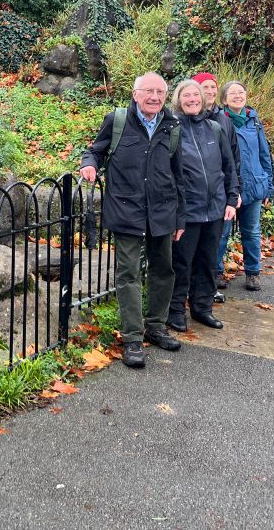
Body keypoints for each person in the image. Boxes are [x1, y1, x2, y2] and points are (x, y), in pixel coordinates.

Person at [79, 72, 186, 368]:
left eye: (160, 92)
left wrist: (180, 217)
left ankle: (156, 325)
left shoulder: (172, 126)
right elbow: (95, 151)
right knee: (128, 273)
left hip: (163, 211)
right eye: (148, 91)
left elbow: (179, 176)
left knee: (164, 270)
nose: (154, 97)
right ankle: (132, 338)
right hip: (126, 210)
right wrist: (89, 166)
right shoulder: (118, 120)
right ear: (136, 93)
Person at [167, 79, 239, 332]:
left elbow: (228, 167)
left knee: (208, 262)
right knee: (182, 263)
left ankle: (202, 308)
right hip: (188, 211)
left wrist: (231, 197)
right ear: (178, 100)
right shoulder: (172, 129)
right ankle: (175, 311)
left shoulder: (214, 128)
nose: (192, 100)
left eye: (196, 96)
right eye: (187, 96)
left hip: (215, 209)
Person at [214, 80, 274, 291]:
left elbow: (264, 154)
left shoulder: (254, 120)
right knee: (222, 232)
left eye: (241, 92)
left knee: (251, 231)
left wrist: (268, 185)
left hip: (254, 185)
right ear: (224, 99)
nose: (238, 96)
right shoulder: (219, 120)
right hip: (228, 187)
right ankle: (217, 272)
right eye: (233, 93)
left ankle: (253, 273)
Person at [193, 72, 242, 299]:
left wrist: (235, 191)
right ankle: (193, 291)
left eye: (213, 87)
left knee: (214, 245)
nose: (211, 91)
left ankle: (208, 289)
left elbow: (232, 158)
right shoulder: (188, 117)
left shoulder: (223, 120)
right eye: (205, 87)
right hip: (195, 196)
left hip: (219, 192)